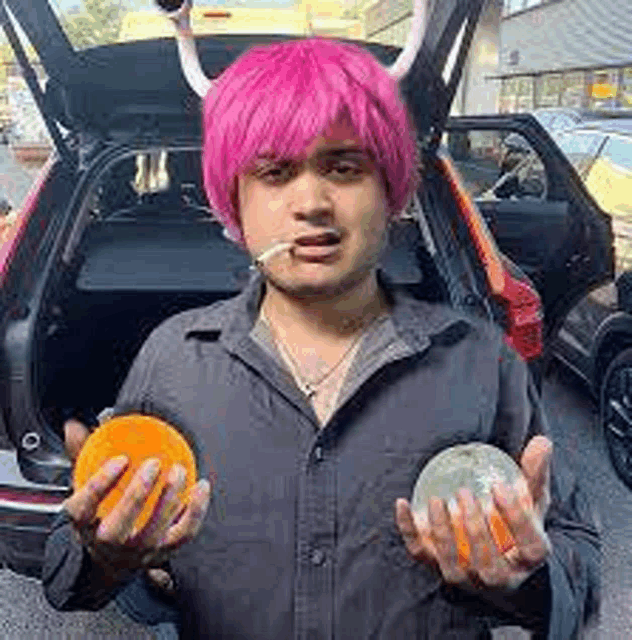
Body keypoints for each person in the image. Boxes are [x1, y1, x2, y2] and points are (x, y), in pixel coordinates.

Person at [42, 23, 599, 640]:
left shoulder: (479, 363)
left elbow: (579, 559)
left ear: (389, 192)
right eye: (275, 173)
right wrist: (106, 558)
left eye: (343, 167)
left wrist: (526, 584)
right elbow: (73, 573)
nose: (311, 201)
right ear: (235, 202)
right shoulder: (172, 358)